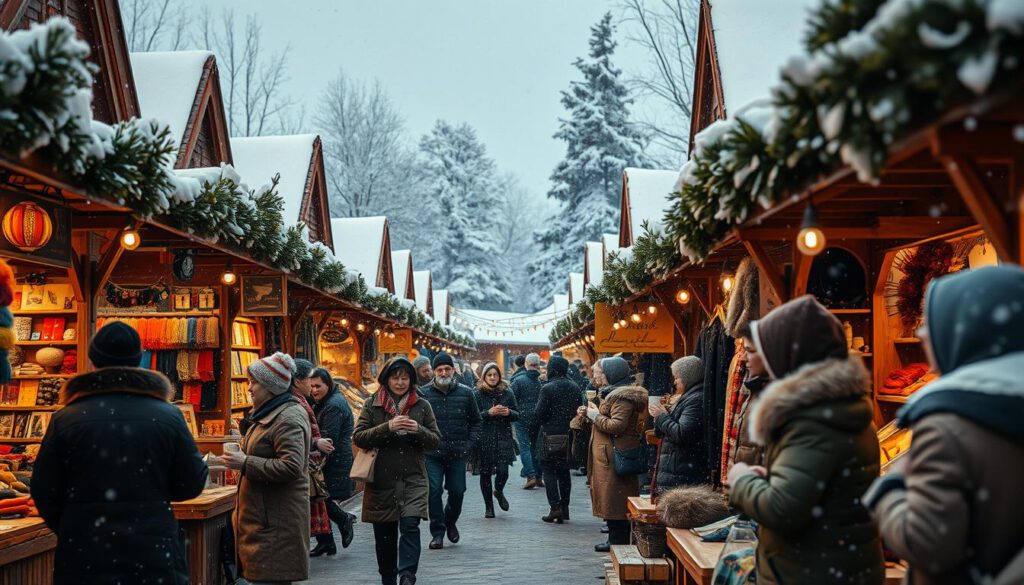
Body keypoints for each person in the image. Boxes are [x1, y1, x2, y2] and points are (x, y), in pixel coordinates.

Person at [864, 266, 1024, 585]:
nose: (922, 334)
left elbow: (928, 544)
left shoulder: (948, 425)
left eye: (933, 323)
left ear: (966, 332)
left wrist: (887, 489)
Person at [32, 322, 208, 585]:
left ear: (92, 361)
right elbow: (190, 484)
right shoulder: (168, 416)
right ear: (139, 361)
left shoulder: (66, 418)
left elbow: (44, 490)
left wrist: (75, 526)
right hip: (153, 555)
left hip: (85, 556)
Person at [727, 296, 883, 584]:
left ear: (788, 355)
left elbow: (783, 509)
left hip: (811, 571)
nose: (748, 357)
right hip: (829, 567)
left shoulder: (814, 420)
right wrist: (769, 479)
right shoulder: (834, 408)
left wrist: (742, 480)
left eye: (759, 349)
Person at [222, 351, 312, 585]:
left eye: (254, 383)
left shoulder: (288, 417)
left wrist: (245, 462)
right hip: (266, 519)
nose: (249, 388)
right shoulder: (271, 412)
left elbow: (292, 467)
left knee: (271, 580)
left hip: (275, 523)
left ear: (270, 387)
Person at [355, 357, 441, 585]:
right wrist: (388, 427)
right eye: (396, 377)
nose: (400, 382)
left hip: (413, 478)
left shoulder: (422, 405)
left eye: (405, 378)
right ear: (387, 379)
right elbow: (359, 437)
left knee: (411, 525)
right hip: (381, 481)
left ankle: (407, 575)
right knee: (385, 534)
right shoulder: (372, 404)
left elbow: (435, 440)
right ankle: (388, 578)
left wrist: (418, 430)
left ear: (411, 379)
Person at [578, 357, 647, 552]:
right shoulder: (610, 393)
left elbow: (617, 425)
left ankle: (618, 542)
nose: (596, 376)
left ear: (612, 373)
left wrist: (594, 415)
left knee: (615, 499)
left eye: (600, 372)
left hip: (616, 455)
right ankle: (614, 538)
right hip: (607, 455)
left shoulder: (622, 397)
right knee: (610, 497)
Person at [419, 352, 482, 550]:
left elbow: (476, 421)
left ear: (453, 370)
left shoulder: (466, 392)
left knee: (457, 491)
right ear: (434, 372)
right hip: (432, 454)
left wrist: (468, 444)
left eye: (447, 369)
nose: (444, 372)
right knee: (434, 491)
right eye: (440, 369)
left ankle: (450, 521)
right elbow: (417, 423)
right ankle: (437, 533)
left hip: (457, 452)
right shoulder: (424, 394)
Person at [310, 367, 357, 556]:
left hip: (334, 460)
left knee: (319, 496)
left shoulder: (332, 406)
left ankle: (344, 519)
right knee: (318, 497)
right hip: (334, 459)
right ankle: (326, 542)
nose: (314, 390)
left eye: (318, 386)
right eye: (311, 386)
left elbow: (329, 439)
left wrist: (316, 451)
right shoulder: (325, 402)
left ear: (328, 384)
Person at [289, 359, 333, 557]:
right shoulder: (295, 402)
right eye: (309, 380)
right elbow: (298, 432)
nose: (311, 386)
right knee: (304, 510)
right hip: (304, 464)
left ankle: (323, 543)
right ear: (298, 381)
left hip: (310, 462)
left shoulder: (300, 400)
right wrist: (316, 443)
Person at [533, 355, 584, 524]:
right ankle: (565, 508)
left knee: (548, 470)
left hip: (550, 436)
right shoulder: (575, 387)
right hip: (569, 435)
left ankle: (555, 508)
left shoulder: (547, 388)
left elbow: (539, 414)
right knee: (564, 471)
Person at [648, 356, 710, 491]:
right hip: (678, 470)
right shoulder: (688, 397)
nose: (674, 382)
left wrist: (661, 417)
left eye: (677, 377)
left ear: (688, 378)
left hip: (682, 472)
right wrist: (661, 416)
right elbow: (665, 432)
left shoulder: (695, 399)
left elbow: (682, 434)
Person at [470, 362, 519, 518]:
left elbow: (517, 414)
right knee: (485, 473)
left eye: (495, 375)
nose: (492, 377)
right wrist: (488, 413)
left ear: (499, 376)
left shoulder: (507, 392)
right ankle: (488, 507)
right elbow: (472, 417)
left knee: (503, 471)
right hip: (484, 438)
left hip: (503, 437)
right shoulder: (476, 394)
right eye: (489, 375)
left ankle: (498, 490)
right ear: (484, 376)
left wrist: (508, 412)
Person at [511, 352, 544, 488]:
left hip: (521, 418)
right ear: (538, 365)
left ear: (526, 364)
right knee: (537, 447)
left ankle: (530, 476)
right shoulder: (542, 381)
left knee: (525, 447)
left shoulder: (518, 381)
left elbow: (511, 399)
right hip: (538, 418)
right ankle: (539, 477)